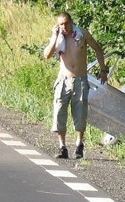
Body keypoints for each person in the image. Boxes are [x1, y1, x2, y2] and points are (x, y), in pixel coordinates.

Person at [43, 12, 107, 159]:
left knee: (80, 112)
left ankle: (79, 145)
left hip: (80, 79)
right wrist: (54, 37)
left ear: (71, 22)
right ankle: (62, 147)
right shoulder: (58, 37)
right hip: (63, 79)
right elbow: (46, 55)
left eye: (66, 23)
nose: (64, 27)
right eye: (61, 24)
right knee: (59, 111)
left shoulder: (81, 34)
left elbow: (97, 48)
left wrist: (103, 69)